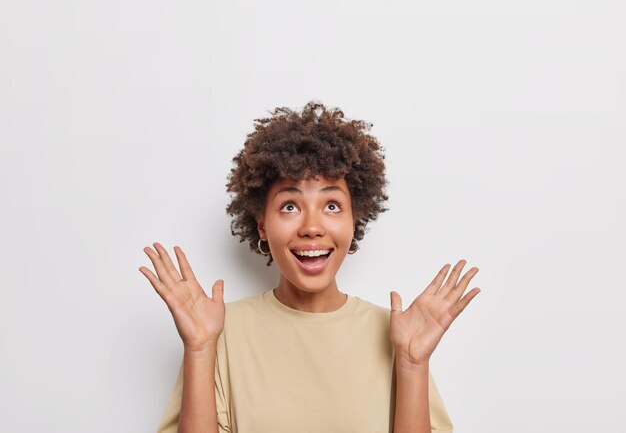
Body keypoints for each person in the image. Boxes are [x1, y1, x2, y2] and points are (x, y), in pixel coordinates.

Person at [139, 101, 480, 433]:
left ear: (353, 219)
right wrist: (199, 350)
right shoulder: (217, 331)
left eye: (332, 205)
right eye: (289, 206)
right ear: (262, 225)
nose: (312, 226)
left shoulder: (399, 334)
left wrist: (412, 363)